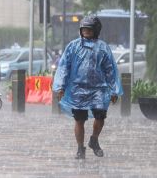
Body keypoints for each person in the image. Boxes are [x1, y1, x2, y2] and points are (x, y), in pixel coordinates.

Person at [52, 15, 123, 159]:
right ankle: (80, 148)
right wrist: (60, 86)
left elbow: (110, 70)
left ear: (96, 30)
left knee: (100, 116)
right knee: (79, 120)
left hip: (99, 89)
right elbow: (64, 67)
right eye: (84, 29)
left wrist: (114, 89)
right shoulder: (73, 46)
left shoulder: (103, 47)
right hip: (77, 89)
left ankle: (94, 139)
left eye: (89, 29)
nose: (86, 31)